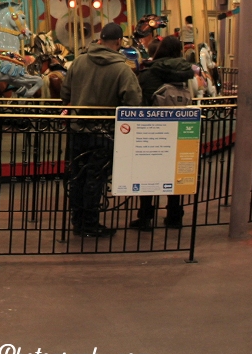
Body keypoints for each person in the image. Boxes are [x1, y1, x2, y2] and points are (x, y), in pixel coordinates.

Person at [60, 21, 142, 237]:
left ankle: (78, 220)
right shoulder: (122, 69)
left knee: (77, 177)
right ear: (118, 42)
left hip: (77, 130)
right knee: (95, 178)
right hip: (104, 133)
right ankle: (90, 222)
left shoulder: (78, 62)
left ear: (99, 39)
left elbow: (65, 93)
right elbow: (133, 101)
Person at [132, 35, 194, 230]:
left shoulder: (150, 72)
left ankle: (146, 216)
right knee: (175, 173)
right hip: (180, 130)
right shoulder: (187, 73)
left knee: (149, 173)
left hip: (153, 130)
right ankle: (175, 215)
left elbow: (141, 100)